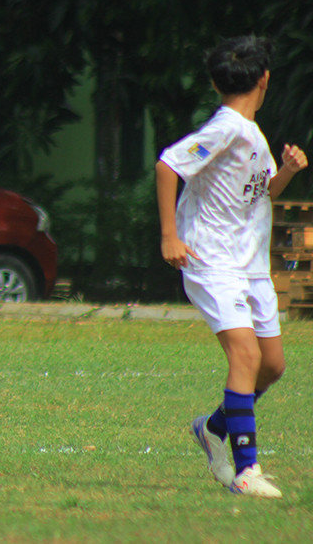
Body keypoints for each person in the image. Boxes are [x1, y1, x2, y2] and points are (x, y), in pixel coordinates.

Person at [156, 35, 307, 499]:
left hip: (250, 266)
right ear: (264, 79)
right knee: (245, 356)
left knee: (273, 365)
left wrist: (285, 172)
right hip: (212, 261)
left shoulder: (250, 133)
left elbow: (259, 196)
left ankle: (213, 428)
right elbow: (168, 165)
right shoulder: (225, 128)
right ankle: (246, 471)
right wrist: (169, 236)